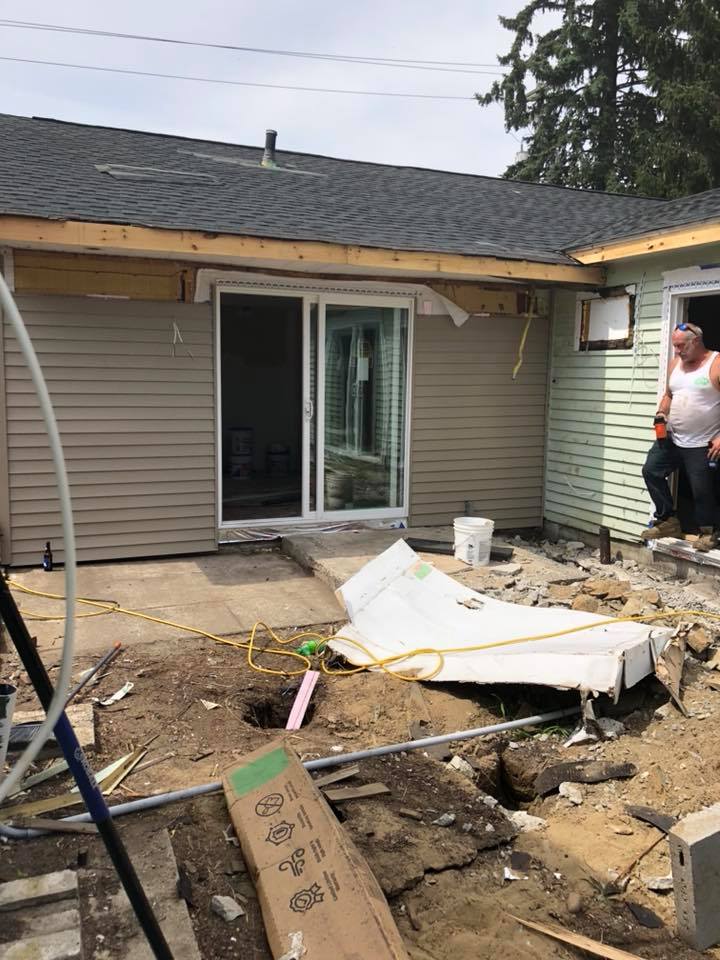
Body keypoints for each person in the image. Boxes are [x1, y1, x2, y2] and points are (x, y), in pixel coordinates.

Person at [641, 321, 720, 551]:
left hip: (702, 442)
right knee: (651, 471)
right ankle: (668, 520)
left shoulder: (716, 364)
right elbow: (668, 395)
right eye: (675, 346)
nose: (676, 351)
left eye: (680, 346)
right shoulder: (676, 364)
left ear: (695, 342)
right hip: (673, 438)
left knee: (701, 488)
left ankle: (708, 532)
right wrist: (660, 413)